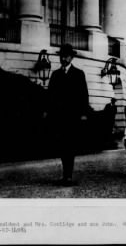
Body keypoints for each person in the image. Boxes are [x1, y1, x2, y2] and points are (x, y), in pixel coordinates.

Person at [47, 43, 89, 186]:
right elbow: (50, 96)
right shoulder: (55, 75)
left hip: (73, 117)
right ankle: (65, 175)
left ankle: (68, 176)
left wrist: (84, 114)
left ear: (71, 58)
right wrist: (48, 112)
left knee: (70, 146)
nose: (63, 59)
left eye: (66, 56)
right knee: (62, 146)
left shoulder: (79, 74)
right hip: (59, 117)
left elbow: (84, 95)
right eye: (61, 56)